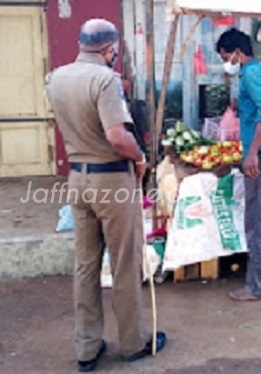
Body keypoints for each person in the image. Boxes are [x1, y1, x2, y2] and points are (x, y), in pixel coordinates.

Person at [44, 18, 166, 372]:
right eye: (115, 50)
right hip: (111, 180)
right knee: (125, 264)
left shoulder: (57, 78)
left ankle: (87, 347)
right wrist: (140, 157)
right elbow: (116, 137)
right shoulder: (105, 80)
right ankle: (133, 343)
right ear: (109, 49)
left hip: (78, 179)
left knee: (85, 266)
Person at [216, 28, 261, 301]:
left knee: (256, 223)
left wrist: (252, 153)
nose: (226, 62)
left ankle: (257, 286)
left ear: (236, 52)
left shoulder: (252, 74)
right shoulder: (257, 72)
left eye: (225, 56)